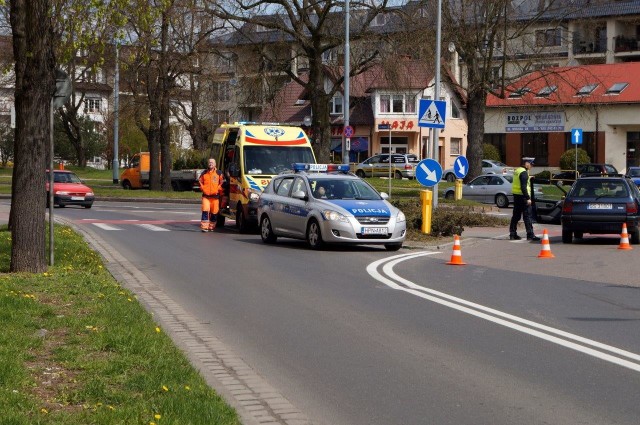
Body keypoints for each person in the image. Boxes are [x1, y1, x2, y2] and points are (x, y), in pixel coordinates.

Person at [509, 157, 540, 241]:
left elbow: (520, 181)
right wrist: (528, 198)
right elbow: (523, 187)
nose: (532, 166)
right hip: (523, 197)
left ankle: (512, 234)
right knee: (527, 216)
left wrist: (528, 178)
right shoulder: (524, 173)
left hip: (516, 196)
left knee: (516, 216)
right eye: (531, 164)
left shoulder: (518, 171)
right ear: (526, 163)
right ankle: (530, 234)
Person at [198, 158, 225, 232]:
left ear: (215, 164)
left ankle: (211, 226)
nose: (210, 164)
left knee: (214, 212)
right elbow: (200, 181)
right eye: (209, 162)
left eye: (212, 162)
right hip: (206, 196)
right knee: (205, 210)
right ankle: (204, 227)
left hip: (215, 197)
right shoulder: (204, 173)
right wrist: (203, 188)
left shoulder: (219, 173)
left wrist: (218, 189)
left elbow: (222, 182)